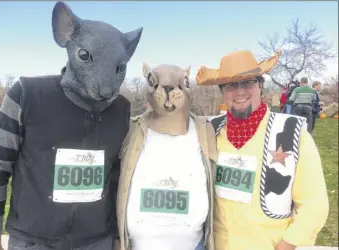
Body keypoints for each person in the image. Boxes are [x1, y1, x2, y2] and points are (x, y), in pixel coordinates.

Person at [0, 2, 143, 250]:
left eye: (118, 69)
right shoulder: (26, 95)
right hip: (34, 240)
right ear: (64, 35)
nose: (106, 88)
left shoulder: (121, 110)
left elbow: (116, 177)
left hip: (96, 241)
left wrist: (116, 237)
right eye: (85, 56)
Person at [195, 50, 329, 250]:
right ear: (223, 91)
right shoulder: (208, 131)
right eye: (232, 85)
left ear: (260, 85)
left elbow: (314, 204)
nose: (240, 91)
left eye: (247, 82)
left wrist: (287, 244)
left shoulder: (291, 133)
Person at [116, 64, 217, 250]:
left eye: (182, 83)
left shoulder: (206, 130)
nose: (168, 89)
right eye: (155, 83)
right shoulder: (130, 130)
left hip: (192, 244)